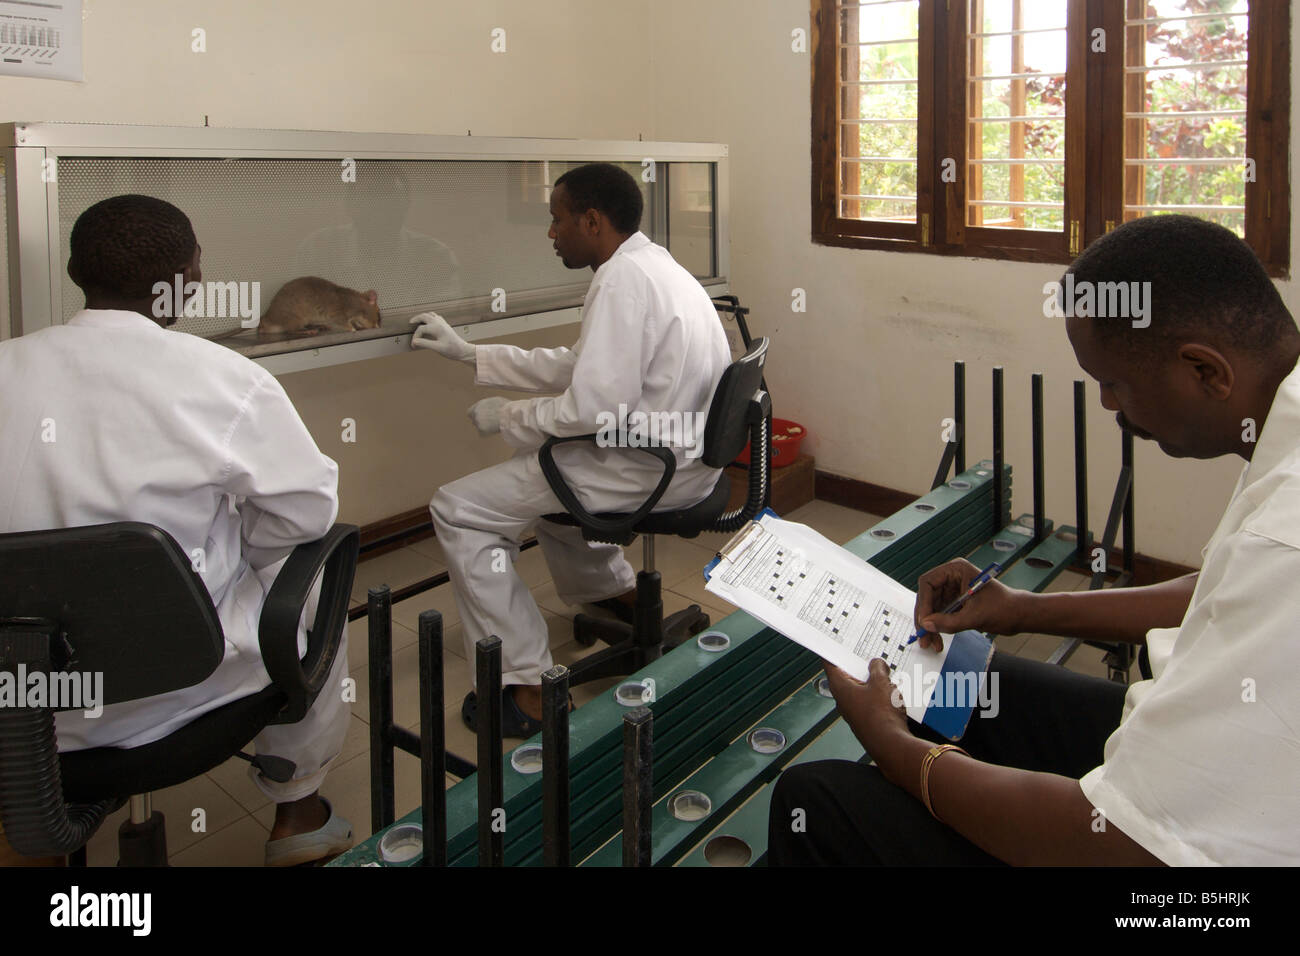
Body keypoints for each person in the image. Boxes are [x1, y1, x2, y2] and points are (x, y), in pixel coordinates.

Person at [768, 214, 1300, 866]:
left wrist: (893, 745)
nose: (1107, 404)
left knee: (816, 801)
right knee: (968, 683)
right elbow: (1219, 594)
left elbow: (1108, 844)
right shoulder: (1283, 430)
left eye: (1114, 382)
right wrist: (1021, 609)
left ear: (1205, 371)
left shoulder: (1286, 538)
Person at [0, 194, 353, 866]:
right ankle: (298, 810)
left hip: (23, 709)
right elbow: (306, 514)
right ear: (190, 279)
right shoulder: (224, 379)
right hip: (182, 687)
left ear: (78, 272)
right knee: (309, 572)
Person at [411, 163, 730, 737]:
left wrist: (508, 416)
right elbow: (580, 366)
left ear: (591, 219)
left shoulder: (621, 281)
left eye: (557, 220)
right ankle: (622, 600)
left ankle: (529, 688)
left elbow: (590, 410)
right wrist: (470, 355)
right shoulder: (651, 265)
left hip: (646, 467)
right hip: (682, 461)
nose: (551, 233)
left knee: (457, 509)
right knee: (536, 488)